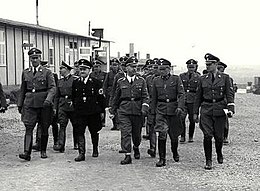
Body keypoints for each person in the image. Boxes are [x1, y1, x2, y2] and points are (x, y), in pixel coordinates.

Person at [193, 53, 235, 170]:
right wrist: (195, 113)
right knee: (207, 135)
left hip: (220, 108)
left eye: (210, 64)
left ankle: (219, 152)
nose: (207, 66)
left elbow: (229, 94)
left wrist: (230, 109)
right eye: (206, 64)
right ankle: (208, 160)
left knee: (219, 136)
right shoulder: (202, 79)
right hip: (206, 108)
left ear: (216, 64)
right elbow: (198, 97)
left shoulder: (225, 78)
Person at [17, 48, 56, 161]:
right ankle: (26, 152)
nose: (34, 60)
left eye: (36, 57)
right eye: (32, 58)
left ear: (40, 58)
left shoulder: (47, 72)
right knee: (29, 127)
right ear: (29, 59)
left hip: (44, 103)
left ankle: (43, 150)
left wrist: (48, 100)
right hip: (29, 104)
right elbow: (23, 89)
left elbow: (52, 88)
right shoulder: (26, 72)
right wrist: (20, 104)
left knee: (44, 127)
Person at [110, 56, 149, 165]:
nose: (134, 69)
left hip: (137, 110)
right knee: (125, 132)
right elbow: (116, 96)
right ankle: (127, 155)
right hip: (124, 110)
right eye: (132, 67)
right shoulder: (120, 81)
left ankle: (136, 146)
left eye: (136, 67)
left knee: (136, 135)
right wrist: (112, 110)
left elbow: (146, 96)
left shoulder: (142, 81)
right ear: (126, 68)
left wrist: (144, 108)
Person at [151, 58, 185, 167]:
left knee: (174, 135)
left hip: (174, 110)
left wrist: (180, 107)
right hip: (161, 110)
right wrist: (152, 112)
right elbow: (154, 98)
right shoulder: (156, 80)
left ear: (169, 69)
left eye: (164, 69)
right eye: (160, 69)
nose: (161, 71)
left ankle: (174, 151)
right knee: (162, 133)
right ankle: (162, 158)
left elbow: (181, 94)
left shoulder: (176, 79)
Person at [72, 59, 105, 162]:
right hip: (80, 112)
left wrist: (102, 111)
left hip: (93, 112)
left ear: (89, 70)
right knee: (80, 131)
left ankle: (95, 148)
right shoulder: (75, 82)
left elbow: (101, 99)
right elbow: (74, 97)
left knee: (94, 131)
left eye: (85, 69)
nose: (82, 71)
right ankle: (81, 153)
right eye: (81, 69)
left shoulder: (96, 83)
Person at [32, 60, 59, 151]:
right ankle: (39, 143)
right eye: (44, 66)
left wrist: (54, 104)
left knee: (54, 124)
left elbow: (55, 90)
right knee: (41, 125)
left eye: (47, 66)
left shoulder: (52, 75)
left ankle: (56, 141)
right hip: (42, 102)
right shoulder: (36, 74)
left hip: (50, 102)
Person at [53, 61, 79, 152]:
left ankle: (77, 143)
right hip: (62, 105)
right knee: (62, 125)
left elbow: (78, 94)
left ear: (67, 69)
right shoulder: (59, 81)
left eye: (61, 68)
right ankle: (61, 145)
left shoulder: (75, 80)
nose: (60, 70)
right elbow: (56, 96)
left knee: (76, 125)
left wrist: (76, 103)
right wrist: (55, 108)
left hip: (72, 105)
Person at [179, 59, 201, 143]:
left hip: (193, 100)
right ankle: (182, 136)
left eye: (192, 67)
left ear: (195, 67)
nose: (191, 69)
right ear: (187, 67)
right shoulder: (182, 76)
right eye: (189, 67)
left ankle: (191, 136)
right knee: (181, 118)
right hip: (184, 99)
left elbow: (199, 90)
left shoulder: (198, 77)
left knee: (192, 119)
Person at [217, 61, 235, 145]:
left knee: (224, 120)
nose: (220, 70)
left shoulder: (228, 79)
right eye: (218, 68)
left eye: (221, 69)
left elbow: (230, 93)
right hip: (214, 102)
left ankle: (225, 137)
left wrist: (230, 104)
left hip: (224, 102)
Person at [146, 59, 160, 157]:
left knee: (163, 129)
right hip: (152, 106)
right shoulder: (148, 79)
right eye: (153, 67)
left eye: (156, 68)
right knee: (151, 128)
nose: (154, 70)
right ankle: (153, 148)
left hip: (163, 107)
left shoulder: (167, 79)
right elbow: (145, 93)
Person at [103, 58, 120, 130]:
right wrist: (104, 92)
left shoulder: (120, 74)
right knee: (111, 109)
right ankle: (114, 124)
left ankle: (118, 124)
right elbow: (105, 84)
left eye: (116, 65)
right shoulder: (109, 74)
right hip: (110, 93)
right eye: (113, 65)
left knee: (118, 109)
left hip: (119, 93)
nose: (114, 67)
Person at [90, 59, 107, 127]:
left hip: (101, 92)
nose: (96, 68)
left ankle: (103, 121)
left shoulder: (104, 74)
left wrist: (104, 92)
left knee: (102, 107)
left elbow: (105, 84)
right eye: (94, 67)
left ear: (100, 67)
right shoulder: (91, 74)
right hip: (93, 93)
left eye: (97, 66)